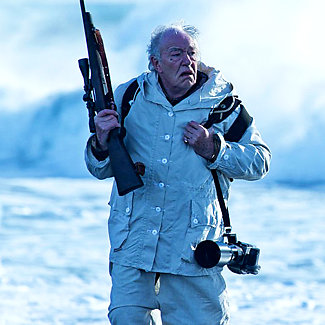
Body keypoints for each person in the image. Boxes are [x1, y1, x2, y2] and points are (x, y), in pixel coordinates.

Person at [85, 22, 271, 325]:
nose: (187, 61)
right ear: (155, 63)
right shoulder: (129, 96)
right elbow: (100, 168)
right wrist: (101, 143)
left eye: (191, 53)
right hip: (134, 245)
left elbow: (260, 161)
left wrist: (215, 149)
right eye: (176, 54)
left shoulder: (224, 106)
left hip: (192, 250)